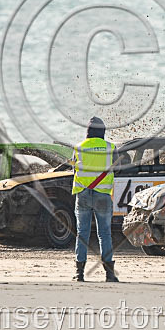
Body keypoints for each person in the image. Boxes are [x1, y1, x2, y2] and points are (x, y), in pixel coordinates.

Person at [71, 116, 119, 282]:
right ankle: (110, 274)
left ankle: (79, 274)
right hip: (103, 195)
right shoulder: (111, 147)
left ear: (88, 132)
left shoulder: (78, 147)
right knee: (104, 234)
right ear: (103, 133)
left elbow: (74, 169)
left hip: (83, 194)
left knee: (82, 233)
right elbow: (117, 168)